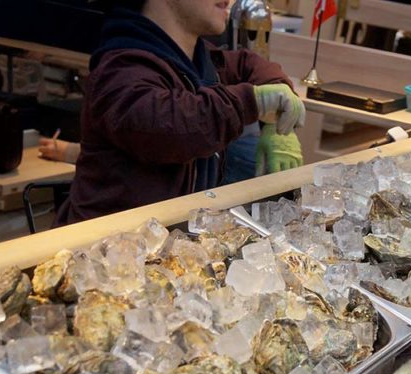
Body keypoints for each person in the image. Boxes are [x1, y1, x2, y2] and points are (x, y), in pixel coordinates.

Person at [56, 0, 305, 225]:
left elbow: (250, 64)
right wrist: (254, 101)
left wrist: (276, 118)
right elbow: (170, 125)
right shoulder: (119, 70)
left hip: (168, 256)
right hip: (102, 259)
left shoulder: (198, 59)